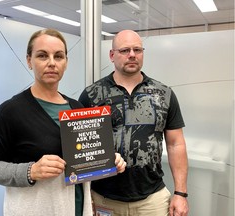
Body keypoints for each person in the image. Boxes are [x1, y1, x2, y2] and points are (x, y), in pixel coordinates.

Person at [0, 28, 126, 216]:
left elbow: (88, 160)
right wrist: (30, 171)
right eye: (42, 56)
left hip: (77, 209)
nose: (51, 63)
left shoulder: (77, 108)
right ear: (29, 61)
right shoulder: (10, 111)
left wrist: (110, 160)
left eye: (58, 56)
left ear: (66, 63)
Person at [79, 30, 189, 216]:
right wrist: (85, 195)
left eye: (137, 49)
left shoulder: (163, 94)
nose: (132, 54)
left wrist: (180, 193)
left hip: (152, 200)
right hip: (103, 198)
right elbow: (81, 149)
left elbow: (175, 144)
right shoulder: (92, 95)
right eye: (125, 50)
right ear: (112, 55)